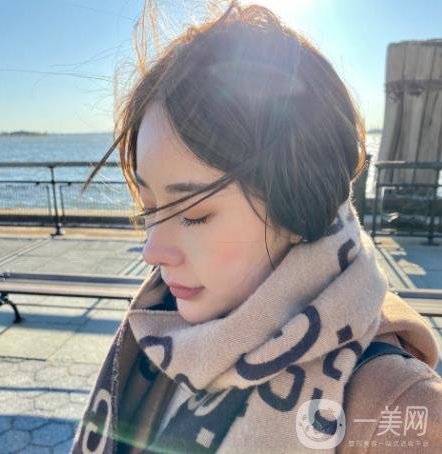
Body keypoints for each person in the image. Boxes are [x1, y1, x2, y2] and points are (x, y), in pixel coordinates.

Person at [71, 2, 442, 453]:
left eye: (194, 213)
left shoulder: (401, 410)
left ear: (302, 200)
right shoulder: (160, 328)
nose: (152, 251)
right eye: (148, 208)